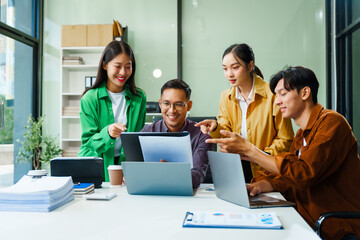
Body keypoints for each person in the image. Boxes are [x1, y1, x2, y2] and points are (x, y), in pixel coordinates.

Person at [206, 66, 360, 239]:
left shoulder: (332, 123)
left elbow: (305, 174)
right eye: (276, 95)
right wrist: (265, 185)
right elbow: (291, 178)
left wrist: (250, 149)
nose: (277, 101)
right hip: (306, 219)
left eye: (282, 94)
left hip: (333, 225)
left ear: (305, 93)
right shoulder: (302, 134)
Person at [195, 43, 294, 181]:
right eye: (225, 69)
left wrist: (257, 154)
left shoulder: (272, 94)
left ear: (250, 66)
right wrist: (216, 127)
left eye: (235, 67)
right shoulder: (226, 96)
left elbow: (286, 139)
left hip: (266, 170)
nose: (229, 74)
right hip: (235, 168)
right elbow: (226, 133)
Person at [78, 40, 146, 182]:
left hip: (124, 165)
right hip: (94, 164)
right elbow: (88, 141)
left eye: (128, 67)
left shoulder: (139, 98)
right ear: (105, 65)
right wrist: (107, 132)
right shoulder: (90, 98)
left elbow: (138, 138)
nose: (123, 72)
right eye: (117, 66)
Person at [141, 79, 212, 189]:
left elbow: (196, 176)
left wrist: (170, 172)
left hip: (186, 197)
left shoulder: (202, 136)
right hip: (152, 195)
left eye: (178, 104)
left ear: (189, 106)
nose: (172, 110)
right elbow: (137, 170)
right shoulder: (146, 133)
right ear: (160, 104)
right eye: (166, 104)